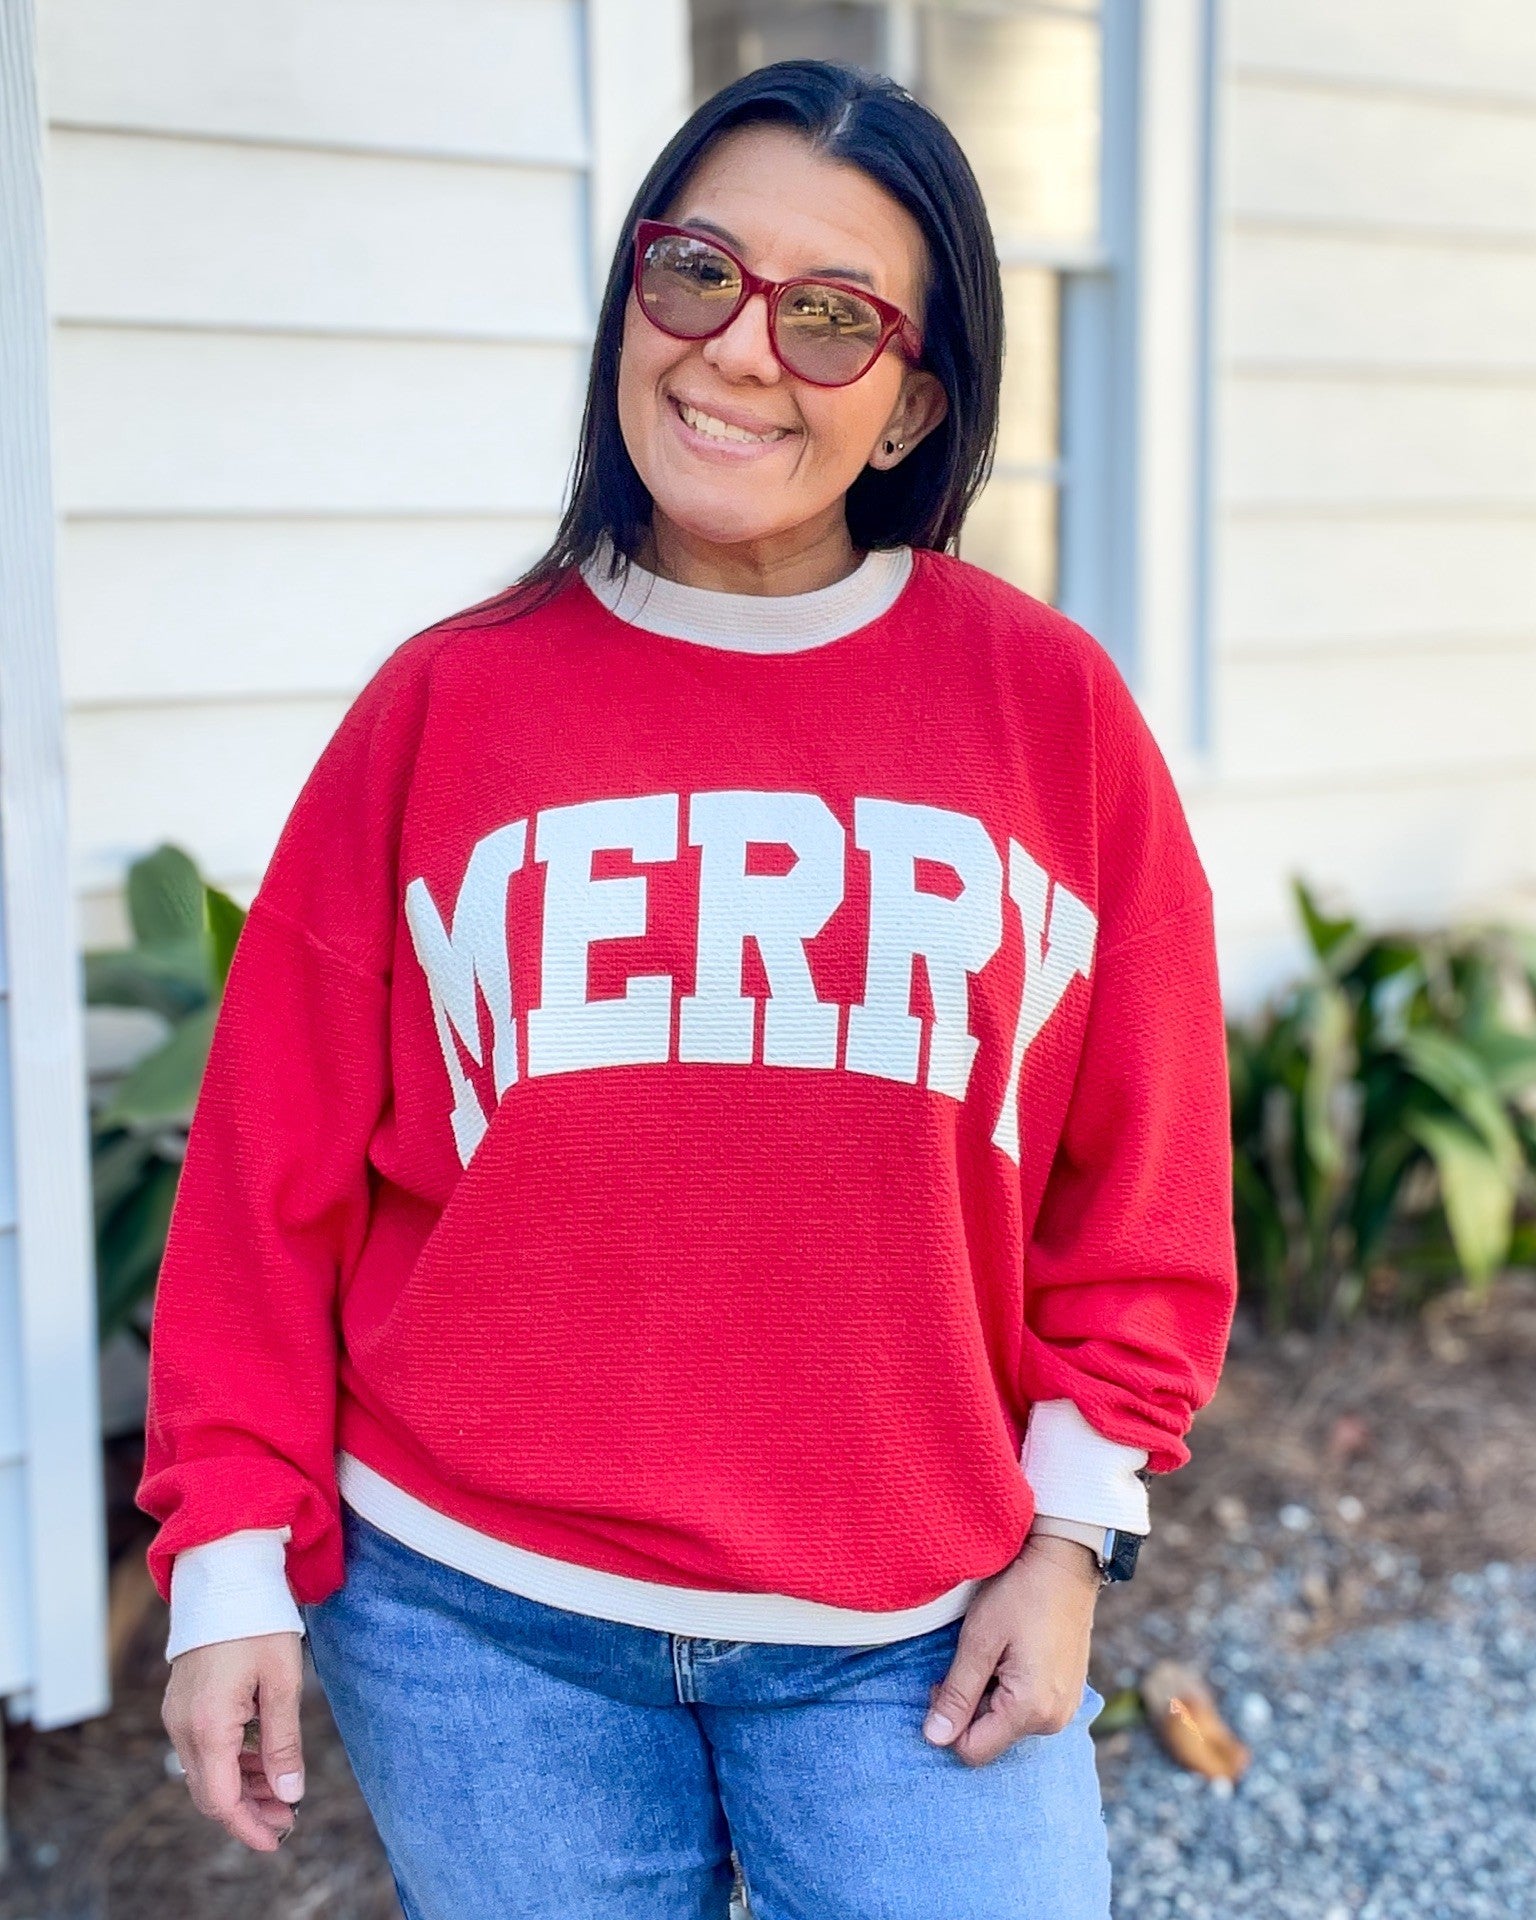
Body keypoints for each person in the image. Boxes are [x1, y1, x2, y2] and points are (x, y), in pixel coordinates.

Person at [139, 58, 1236, 1920]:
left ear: (912, 405)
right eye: (699, 273)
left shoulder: (1045, 713)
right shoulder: (446, 704)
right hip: (474, 1622)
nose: (738, 350)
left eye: (832, 318)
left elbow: (1146, 1187)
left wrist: (1071, 1538)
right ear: (635, 294)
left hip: (911, 1625)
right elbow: (268, 1176)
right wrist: (230, 1556)